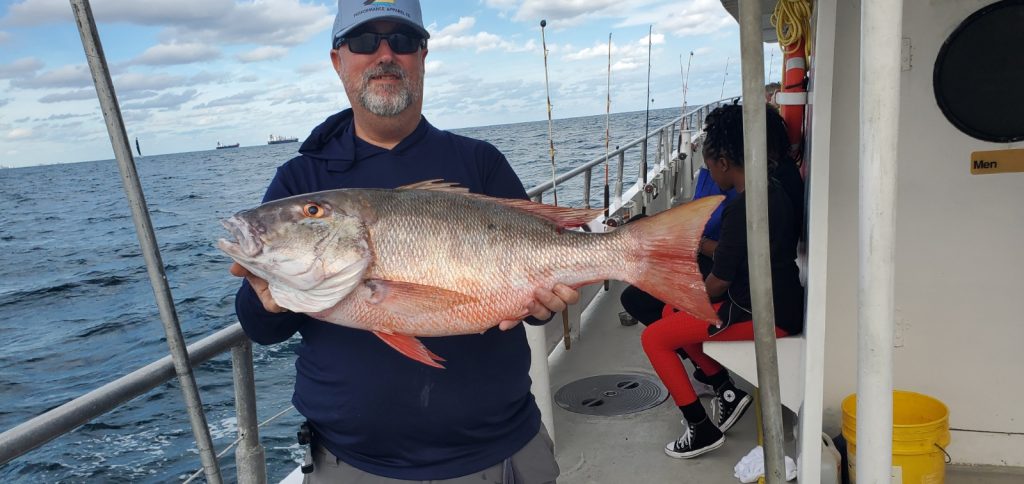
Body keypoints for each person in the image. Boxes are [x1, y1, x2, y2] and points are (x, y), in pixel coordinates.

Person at [229, 1, 576, 482]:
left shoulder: (480, 162)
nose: (385, 54)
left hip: (500, 452)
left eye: (403, 41)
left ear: (423, 55)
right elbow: (260, 329)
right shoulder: (301, 178)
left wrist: (544, 302)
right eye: (365, 41)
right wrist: (265, 302)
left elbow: (537, 294)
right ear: (338, 61)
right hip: (350, 464)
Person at [640, 103, 805, 459]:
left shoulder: (741, 206)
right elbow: (734, 252)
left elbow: (717, 282)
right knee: (670, 312)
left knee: (653, 337)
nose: (709, 172)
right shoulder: (770, 190)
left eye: (710, 164)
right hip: (774, 302)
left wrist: (679, 290)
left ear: (725, 163)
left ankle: (699, 428)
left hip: (761, 314)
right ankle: (726, 392)